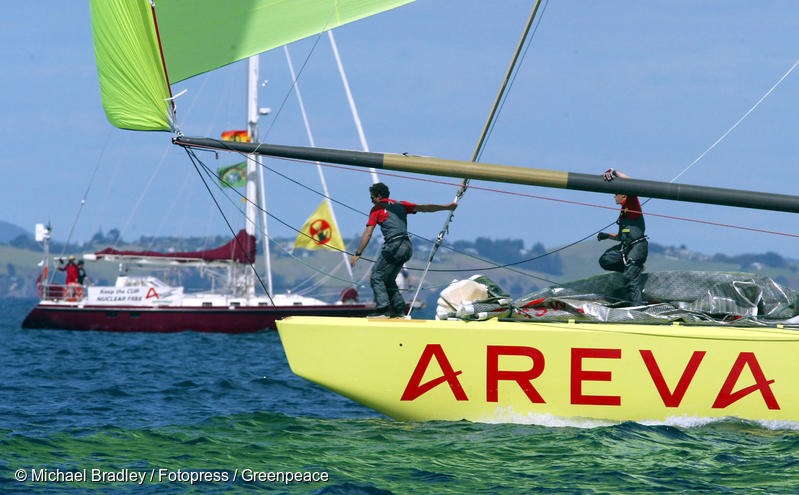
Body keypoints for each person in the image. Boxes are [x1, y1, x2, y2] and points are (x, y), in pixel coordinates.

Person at [351, 182, 457, 318]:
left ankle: (382, 310)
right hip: (407, 246)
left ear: (378, 196)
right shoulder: (401, 205)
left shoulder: (376, 209)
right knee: (388, 280)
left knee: (377, 277)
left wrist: (358, 254)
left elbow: (368, 232)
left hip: (393, 246)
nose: (371, 201)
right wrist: (447, 207)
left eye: (372, 198)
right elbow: (425, 208)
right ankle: (399, 311)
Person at [596, 169, 648, 306]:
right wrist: (607, 236)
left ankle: (638, 308)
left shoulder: (632, 204)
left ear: (623, 195)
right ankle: (632, 268)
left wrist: (613, 172)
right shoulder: (623, 211)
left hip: (637, 247)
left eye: (615, 194)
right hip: (626, 247)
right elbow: (621, 236)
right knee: (605, 260)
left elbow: (629, 182)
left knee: (629, 276)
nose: (614, 197)